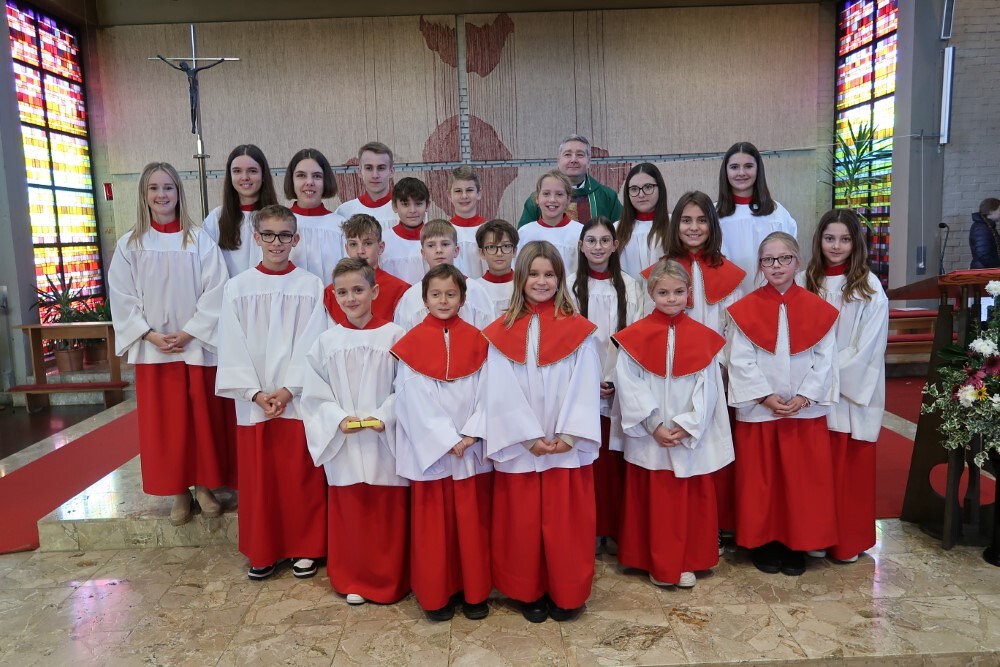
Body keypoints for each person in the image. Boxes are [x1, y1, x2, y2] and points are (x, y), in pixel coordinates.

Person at [479, 241, 602, 623]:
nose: (542, 281)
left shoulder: (579, 331)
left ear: (561, 279)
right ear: (520, 278)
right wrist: (528, 437)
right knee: (524, 524)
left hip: (565, 446)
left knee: (566, 525)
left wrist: (570, 435)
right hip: (523, 448)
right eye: (533, 274)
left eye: (549, 274)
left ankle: (568, 592)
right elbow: (499, 389)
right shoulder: (501, 332)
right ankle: (527, 590)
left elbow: (586, 382)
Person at [108, 162, 233, 526]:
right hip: (154, 349)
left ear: (179, 193)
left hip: (194, 345)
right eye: (154, 188)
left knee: (199, 420)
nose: (161, 195)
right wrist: (148, 334)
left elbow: (217, 289)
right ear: (144, 195)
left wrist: (190, 331)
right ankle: (178, 490)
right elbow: (122, 296)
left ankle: (204, 486)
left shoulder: (198, 241)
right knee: (167, 425)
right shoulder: (131, 244)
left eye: (168, 188)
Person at [215, 204, 329, 581]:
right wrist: (254, 392)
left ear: (296, 239)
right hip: (256, 401)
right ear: (256, 237)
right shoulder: (237, 287)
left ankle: (304, 547)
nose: (276, 242)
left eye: (284, 235)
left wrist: (289, 389)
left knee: (299, 474)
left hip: (295, 398)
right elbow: (231, 341)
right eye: (268, 235)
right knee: (260, 478)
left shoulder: (311, 286)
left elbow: (314, 341)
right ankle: (263, 550)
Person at [612, 259, 734, 589]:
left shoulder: (703, 338)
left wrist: (688, 424)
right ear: (651, 293)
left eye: (679, 292)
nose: (671, 299)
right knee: (656, 499)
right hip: (651, 435)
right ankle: (655, 561)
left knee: (689, 497)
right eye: (663, 292)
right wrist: (654, 425)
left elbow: (709, 388)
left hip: (687, 434)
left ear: (689, 293)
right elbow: (629, 384)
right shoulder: (633, 338)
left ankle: (687, 560)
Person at [726, 232, 839, 577]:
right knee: (761, 482)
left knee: (801, 483)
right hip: (761, 410)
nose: (776, 266)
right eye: (768, 260)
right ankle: (763, 543)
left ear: (797, 261)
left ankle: (796, 544)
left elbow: (826, 359)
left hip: (804, 412)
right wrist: (765, 396)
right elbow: (739, 359)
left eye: (784, 258)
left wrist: (805, 397)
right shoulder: (744, 310)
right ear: (760, 265)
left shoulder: (818, 309)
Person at [301, 258, 409, 605]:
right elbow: (314, 393)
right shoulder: (326, 341)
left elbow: (407, 387)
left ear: (374, 292)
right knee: (351, 510)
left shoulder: (395, 336)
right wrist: (336, 418)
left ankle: (390, 580)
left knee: (386, 511)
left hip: (383, 440)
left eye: (358, 290)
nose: (351, 298)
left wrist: (384, 415)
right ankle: (352, 578)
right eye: (343, 292)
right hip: (345, 442)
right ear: (333, 295)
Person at [392, 264, 493, 622]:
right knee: (434, 528)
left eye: (451, 294)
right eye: (436, 294)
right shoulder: (411, 344)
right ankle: (436, 595)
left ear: (463, 298)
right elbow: (410, 397)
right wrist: (446, 439)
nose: (444, 300)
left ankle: (474, 592)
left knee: (473, 523)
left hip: (471, 449)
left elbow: (491, 390)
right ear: (424, 299)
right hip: (434, 453)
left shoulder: (480, 340)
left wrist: (472, 432)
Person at [801, 209, 888, 563]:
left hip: (847, 394)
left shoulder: (869, 288)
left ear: (856, 243)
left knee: (847, 469)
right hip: (809, 389)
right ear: (818, 240)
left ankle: (847, 541)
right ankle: (816, 535)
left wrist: (825, 373)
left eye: (844, 239)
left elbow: (868, 347)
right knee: (814, 471)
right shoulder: (805, 282)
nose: (836, 246)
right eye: (829, 238)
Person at [659, 191, 746, 540]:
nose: (693, 227)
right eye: (686, 220)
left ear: (712, 225)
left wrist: (720, 365)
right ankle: (680, 528)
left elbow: (735, 327)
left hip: (714, 372)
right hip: (671, 377)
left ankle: (715, 527)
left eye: (701, 220)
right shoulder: (662, 271)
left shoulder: (728, 274)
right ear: (675, 224)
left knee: (711, 446)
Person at [569, 217, 643, 553]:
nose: (598, 247)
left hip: (620, 385)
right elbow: (568, 341)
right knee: (590, 461)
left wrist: (613, 378)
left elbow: (636, 337)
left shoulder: (631, 287)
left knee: (616, 462)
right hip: (581, 386)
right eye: (591, 240)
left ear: (615, 246)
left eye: (604, 241)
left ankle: (614, 528)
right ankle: (590, 528)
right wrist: (589, 379)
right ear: (581, 246)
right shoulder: (569, 287)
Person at [716, 142, 798, 293]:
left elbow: (790, 259)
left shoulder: (777, 213)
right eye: (734, 167)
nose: (741, 173)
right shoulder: (713, 214)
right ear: (725, 171)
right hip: (727, 296)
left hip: (771, 294)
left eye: (748, 166)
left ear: (758, 169)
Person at [393, 219, 496, 330]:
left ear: (456, 250)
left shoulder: (476, 291)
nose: (439, 250)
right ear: (423, 253)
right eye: (431, 245)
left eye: (445, 244)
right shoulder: (411, 296)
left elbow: (488, 334)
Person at [203, 144, 278, 277]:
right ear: (230, 176)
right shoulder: (216, 218)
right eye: (237, 171)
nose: (245, 177)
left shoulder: (279, 218)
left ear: (263, 175)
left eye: (252, 171)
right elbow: (207, 268)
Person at [322, 213, 410, 325]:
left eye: (367, 243)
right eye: (353, 244)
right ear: (347, 249)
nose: (360, 251)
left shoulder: (400, 290)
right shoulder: (330, 294)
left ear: (380, 247)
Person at [517, 134, 622, 226]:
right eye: (567, 154)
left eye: (580, 155)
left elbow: (622, 233)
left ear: (589, 161)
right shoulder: (539, 199)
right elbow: (525, 236)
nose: (573, 160)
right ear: (558, 160)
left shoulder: (607, 197)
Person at [284, 148, 345, 286]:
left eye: (317, 176)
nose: (309, 182)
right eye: (301, 175)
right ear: (291, 180)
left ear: (325, 180)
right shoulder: (278, 225)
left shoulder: (340, 226)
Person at [517, 171, 583, 275]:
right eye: (546, 194)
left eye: (559, 194)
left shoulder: (580, 232)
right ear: (537, 198)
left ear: (568, 199)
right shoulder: (524, 233)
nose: (552, 200)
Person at [617, 163, 670, 280]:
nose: (641, 194)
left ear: (660, 188)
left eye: (648, 187)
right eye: (634, 189)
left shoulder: (674, 225)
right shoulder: (616, 229)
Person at [333, 142, 397, 229]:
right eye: (369, 168)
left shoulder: (407, 212)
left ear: (391, 171)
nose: (375, 175)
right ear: (360, 171)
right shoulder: (344, 212)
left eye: (381, 168)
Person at [380, 177, 430, 284]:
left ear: (427, 205)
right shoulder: (383, 241)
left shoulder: (437, 239)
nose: (412, 210)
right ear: (394, 206)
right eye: (405, 204)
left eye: (418, 204)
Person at [448, 165, 488, 279]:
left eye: (469, 190)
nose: (464, 196)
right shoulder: (445, 232)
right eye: (458, 191)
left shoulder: (489, 230)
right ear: (449, 196)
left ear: (479, 194)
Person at [472, 219, 519, 315]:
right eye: (491, 247)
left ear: (514, 251)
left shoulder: (524, 285)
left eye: (506, 246)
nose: (499, 253)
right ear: (482, 253)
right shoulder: (475, 289)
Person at [969, 197, 1000, 269]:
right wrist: (997, 266)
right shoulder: (981, 228)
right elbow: (984, 254)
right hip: (984, 271)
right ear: (991, 211)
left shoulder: (987, 226)